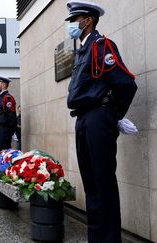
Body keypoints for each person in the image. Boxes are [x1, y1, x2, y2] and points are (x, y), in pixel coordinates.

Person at [65, 1, 137, 242]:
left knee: (103, 182)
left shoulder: (101, 46)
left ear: (88, 20)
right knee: (91, 182)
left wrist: (112, 115)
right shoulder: (83, 50)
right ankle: (96, 238)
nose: (72, 25)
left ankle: (108, 239)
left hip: (98, 118)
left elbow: (126, 84)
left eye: (75, 20)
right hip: (83, 119)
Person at [0, 75, 18, 152]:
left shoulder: (7, 98)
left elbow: (11, 116)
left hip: (3, 131)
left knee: (3, 154)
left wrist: (10, 132)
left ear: (3, 84)